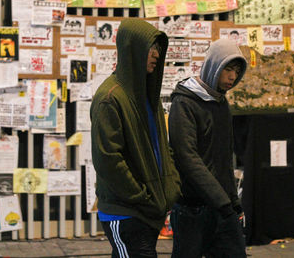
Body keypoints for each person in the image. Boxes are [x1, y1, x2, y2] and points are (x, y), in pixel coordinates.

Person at [91, 19, 181, 258]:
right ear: (133, 48)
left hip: (148, 210)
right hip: (125, 212)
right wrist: (142, 196)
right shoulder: (110, 98)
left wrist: (170, 188)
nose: (156, 54)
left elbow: (162, 147)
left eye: (158, 49)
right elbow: (108, 160)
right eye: (151, 48)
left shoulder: (148, 96)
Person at [168, 38, 248, 258]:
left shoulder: (221, 102)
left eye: (236, 71)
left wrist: (232, 201)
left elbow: (224, 158)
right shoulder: (184, 102)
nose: (232, 77)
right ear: (214, 66)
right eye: (227, 69)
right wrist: (223, 201)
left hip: (222, 206)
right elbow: (187, 158)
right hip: (192, 208)